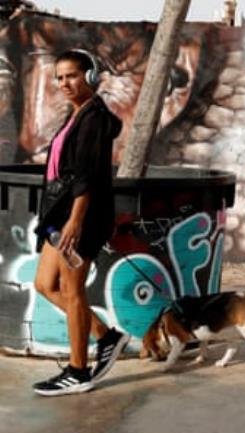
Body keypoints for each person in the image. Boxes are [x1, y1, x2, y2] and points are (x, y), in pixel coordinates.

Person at [32, 49, 129, 396]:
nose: (64, 83)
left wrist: (75, 222)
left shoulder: (94, 118)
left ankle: (78, 371)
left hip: (81, 218)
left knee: (73, 292)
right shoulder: (76, 115)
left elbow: (86, 176)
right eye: (59, 77)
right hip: (58, 218)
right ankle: (106, 336)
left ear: (90, 77)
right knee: (44, 284)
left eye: (71, 75)